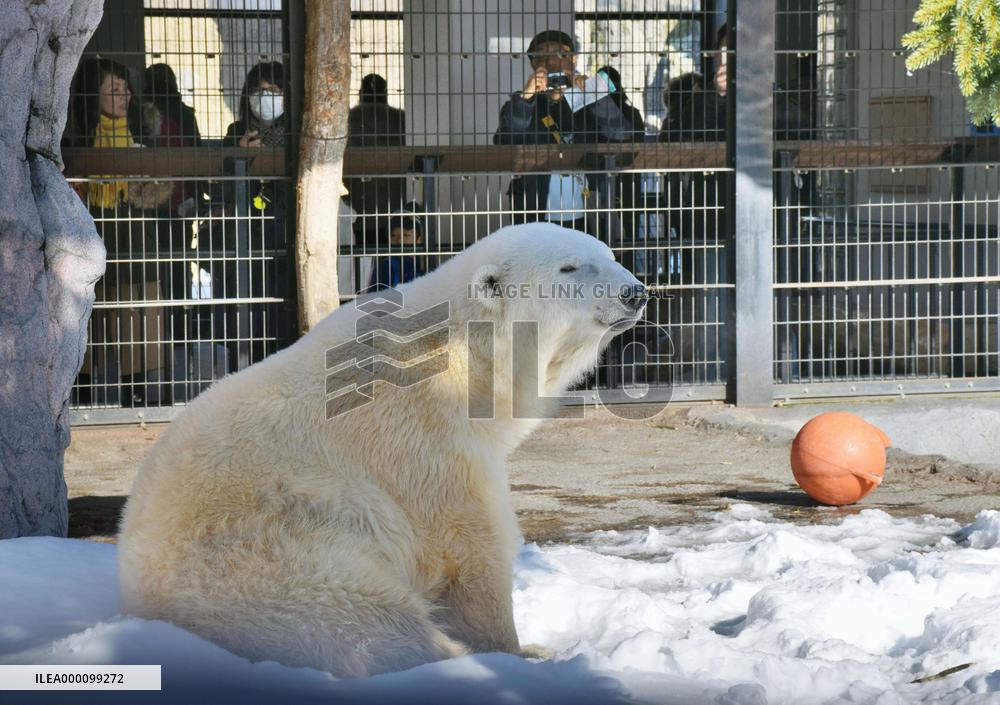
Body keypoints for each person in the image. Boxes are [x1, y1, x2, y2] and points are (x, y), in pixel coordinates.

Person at [493, 30, 636, 233]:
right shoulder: (523, 102)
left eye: (560, 55)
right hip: (535, 208)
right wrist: (526, 96)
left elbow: (621, 135)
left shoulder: (590, 98)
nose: (551, 61)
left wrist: (595, 96)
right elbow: (505, 142)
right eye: (541, 56)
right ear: (532, 64)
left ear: (574, 59)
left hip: (588, 210)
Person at [217, 61, 290, 364]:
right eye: (260, 91)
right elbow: (222, 192)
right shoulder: (236, 132)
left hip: (284, 237)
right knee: (246, 320)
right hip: (245, 241)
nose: (267, 96)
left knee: (281, 316)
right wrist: (242, 158)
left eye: (274, 90)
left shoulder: (296, 135)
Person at [345, 73, 408, 250]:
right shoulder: (401, 119)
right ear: (385, 93)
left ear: (360, 93)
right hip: (393, 204)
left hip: (358, 204)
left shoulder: (348, 119)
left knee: (360, 256)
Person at [368, 201, 426, 291]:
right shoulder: (387, 266)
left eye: (406, 235)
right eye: (393, 235)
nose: (399, 240)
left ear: (419, 239)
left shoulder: (417, 266)